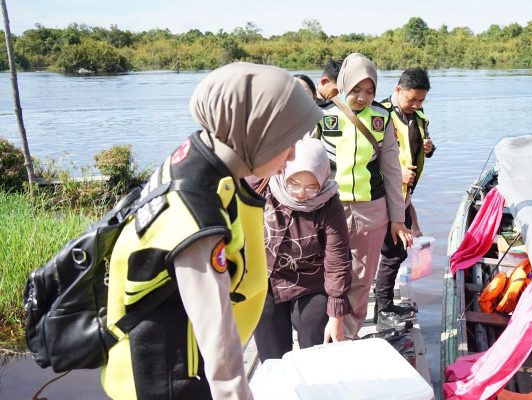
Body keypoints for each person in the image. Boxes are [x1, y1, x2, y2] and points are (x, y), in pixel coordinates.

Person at [101, 62, 322, 399]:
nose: (293, 155)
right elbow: (220, 353)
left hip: (144, 363)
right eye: (287, 141)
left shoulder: (191, 159)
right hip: (165, 381)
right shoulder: (196, 215)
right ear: (255, 132)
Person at [314, 53, 413, 339]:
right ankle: (324, 332)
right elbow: (303, 162)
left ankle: (348, 334)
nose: (362, 97)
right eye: (356, 89)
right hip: (328, 208)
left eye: (369, 91)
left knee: (360, 277)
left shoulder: (383, 119)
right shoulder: (323, 115)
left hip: (372, 210)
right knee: (328, 272)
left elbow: (392, 172)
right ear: (344, 83)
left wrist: (397, 219)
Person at [249, 138, 352, 361]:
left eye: (311, 186)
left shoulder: (330, 204)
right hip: (266, 279)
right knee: (272, 354)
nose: (301, 193)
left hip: (310, 282)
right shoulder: (262, 187)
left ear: (323, 179)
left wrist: (337, 314)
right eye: (293, 183)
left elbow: (338, 259)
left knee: (314, 343)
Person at [374, 68, 436, 326]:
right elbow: (367, 156)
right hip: (384, 194)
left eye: (421, 100)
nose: (416, 105)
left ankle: (384, 305)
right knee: (392, 252)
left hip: (404, 196)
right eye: (412, 99)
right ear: (398, 89)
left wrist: (430, 148)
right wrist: (394, 172)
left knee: (398, 253)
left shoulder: (419, 117)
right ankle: (382, 310)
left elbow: (422, 147)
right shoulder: (380, 114)